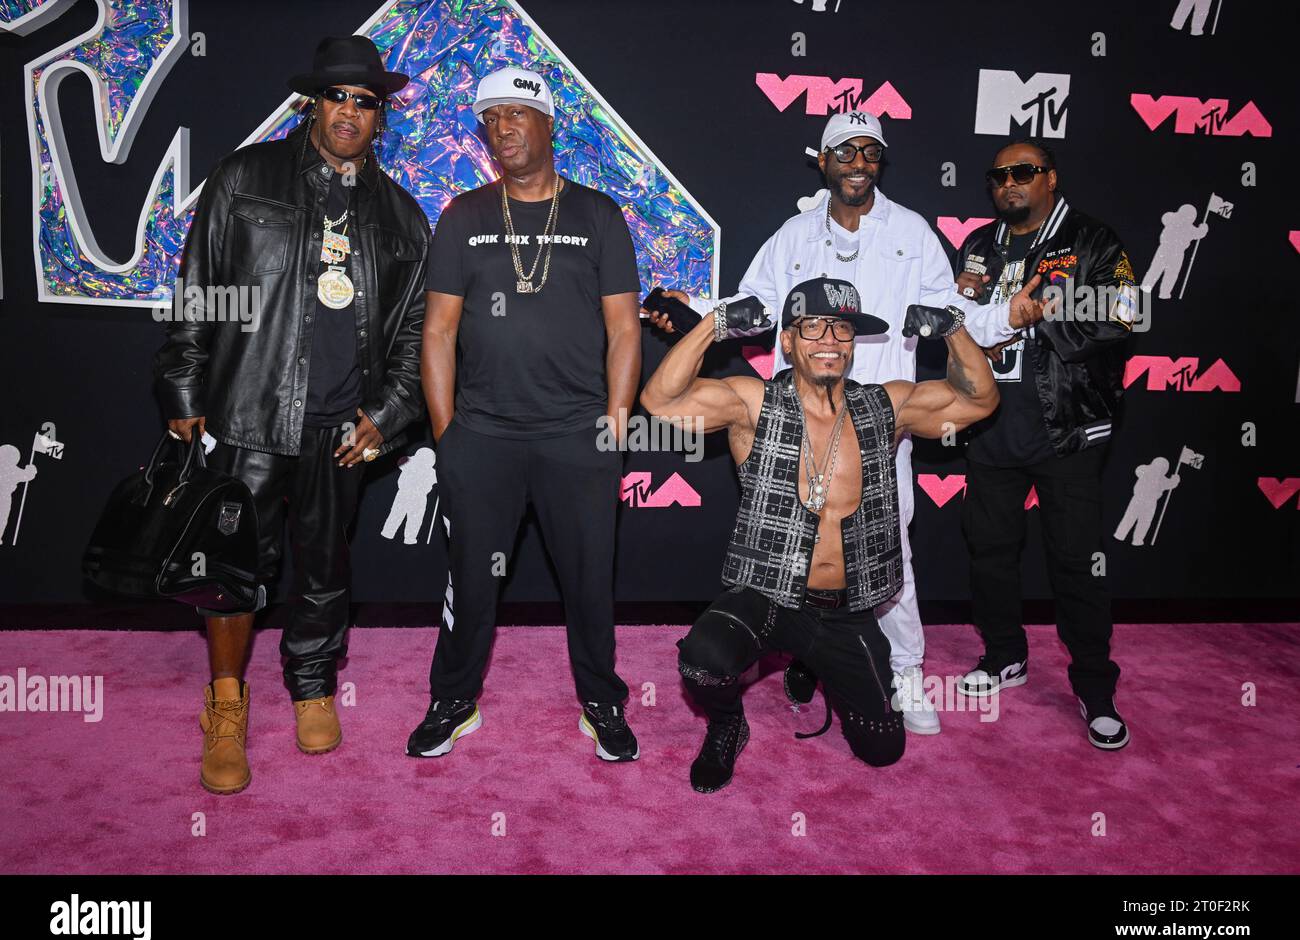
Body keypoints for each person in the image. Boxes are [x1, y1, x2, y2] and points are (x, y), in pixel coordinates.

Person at [649, 111, 1045, 736]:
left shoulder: (912, 232)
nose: (858, 163)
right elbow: (748, 306)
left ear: (879, 162)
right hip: (798, 419)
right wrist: (692, 309)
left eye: (870, 152)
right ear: (824, 161)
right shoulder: (792, 236)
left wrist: (1007, 320)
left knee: (889, 555)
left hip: (881, 416)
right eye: (845, 151)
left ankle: (908, 672)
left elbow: (953, 313)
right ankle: (809, 652)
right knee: (790, 548)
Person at [154, 36, 430, 793]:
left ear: (380, 118)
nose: (350, 112)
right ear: (312, 103)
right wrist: (182, 384)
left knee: (325, 563)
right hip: (248, 411)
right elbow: (200, 289)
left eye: (365, 102)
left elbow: (415, 336)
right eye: (337, 96)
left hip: (343, 428)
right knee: (233, 568)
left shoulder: (401, 216)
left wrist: (394, 411)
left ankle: (311, 682)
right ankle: (226, 704)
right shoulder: (246, 178)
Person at [642, 279, 998, 792]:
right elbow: (661, 399)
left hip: (844, 609)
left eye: (842, 328)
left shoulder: (887, 405)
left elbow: (979, 401)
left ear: (852, 343)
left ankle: (814, 664)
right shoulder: (752, 402)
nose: (829, 338)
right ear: (787, 341)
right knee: (702, 662)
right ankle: (727, 725)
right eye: (812, 327)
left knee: (882, 749)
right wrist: (715, 324)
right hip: (766, 595)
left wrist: (954, 330)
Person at [406, 67, 643, 763]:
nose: (502, 128)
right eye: (490, 118)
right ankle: (453, 699)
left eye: (516, 114)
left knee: (590, 581)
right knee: (472, 580)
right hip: (482, 434)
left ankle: (602, 702)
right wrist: (449, 435)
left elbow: (626, 331)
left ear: (547, 124)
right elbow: (438, 333)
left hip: (577, 433)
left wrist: (617, 422)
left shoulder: (598, 215)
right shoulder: (465, 215)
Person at [952, 138, 1137, 750]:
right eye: (999, 176)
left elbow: (1125, 313)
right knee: (990, 549)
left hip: (1068, 426)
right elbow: (955, 320)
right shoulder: (980, 245)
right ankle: (1005, 655)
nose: (1010, 184)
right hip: (990, 423)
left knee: (1076, 562)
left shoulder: (1091, 238)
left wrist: (1042, 319)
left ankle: (1094, 685)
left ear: (1050, 178)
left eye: (1024, 172)